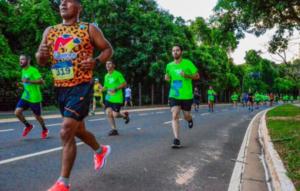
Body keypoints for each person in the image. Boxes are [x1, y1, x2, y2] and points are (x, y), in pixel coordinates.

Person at [36, 0, 114, 190]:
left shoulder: (88, 29)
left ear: (78, 9)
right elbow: (40, 60)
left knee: (65, 131)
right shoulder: (50, 31)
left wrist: (96, 61)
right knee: (77, 130)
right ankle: (100, 150)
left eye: (68, 1)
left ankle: (63, 182)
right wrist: (42, 53)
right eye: (61, 1)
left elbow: (108, 49)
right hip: (60, 87)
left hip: (81, 85)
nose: (63, 3)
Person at [165, 44, 199, 148]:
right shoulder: (169, 66)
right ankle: (176, 139)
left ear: (181, 52)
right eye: (173, 50)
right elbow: (169, 78)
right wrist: (167, 78)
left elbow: (197, 76)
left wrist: (187, 75)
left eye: (177, 50)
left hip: (186, 95)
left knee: (186, 116)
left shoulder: (187, 63)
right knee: (174, 115)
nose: (175, 52)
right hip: (174, 94)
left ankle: (190, 119)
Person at [15, 55, 49, 138]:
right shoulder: (23, 71)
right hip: (26, 96)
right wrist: (22, 86)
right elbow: (27, 83)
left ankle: (44, 129)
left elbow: (41, 82)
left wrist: (29, 81)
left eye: (23, 59)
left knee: (37, 116)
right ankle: (28, 126)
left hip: (34, 98)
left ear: (28, 61)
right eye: (20, 60)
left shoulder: (33, 70)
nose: (21, 61)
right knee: (17, 113)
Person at [102, 60, 130, 136]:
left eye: (109, 63)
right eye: (106, 63)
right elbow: (106, 86)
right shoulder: (106, 76)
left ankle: (125, 116)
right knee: (108, 113)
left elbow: (124, 84)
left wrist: (115, 88)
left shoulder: (118, 74)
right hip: (109, 97)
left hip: (117, 97)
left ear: (113, 65)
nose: (107, 65)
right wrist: (102, 89)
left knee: (115, 115)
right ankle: (114, 130)